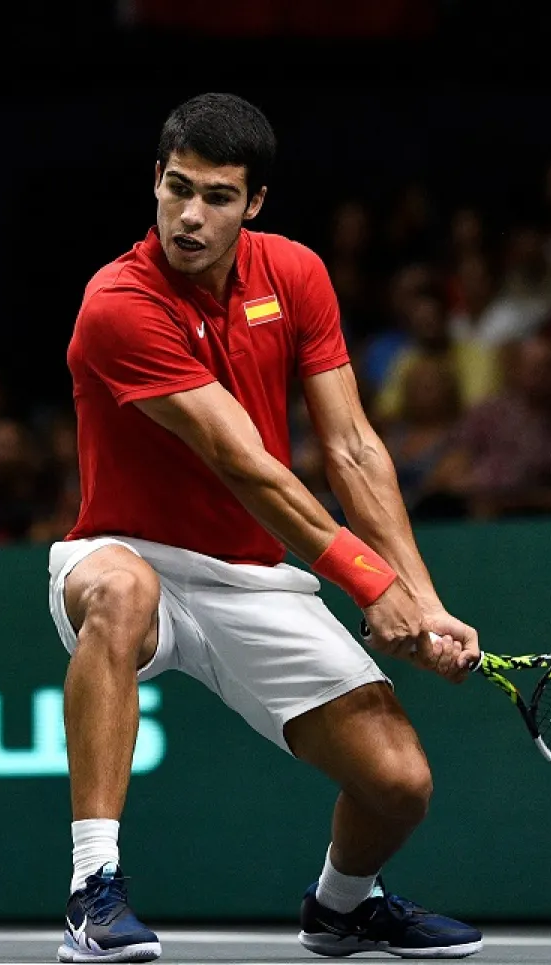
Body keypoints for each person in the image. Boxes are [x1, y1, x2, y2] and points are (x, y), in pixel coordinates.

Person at [52, 93, 484, 964]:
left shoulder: (295, 276)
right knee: (122, 589)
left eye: (216, 197)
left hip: (252, 576)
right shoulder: (118, 303)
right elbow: (243, 461)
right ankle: (93, 887)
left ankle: (342, 908)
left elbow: (356, 448)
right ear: (157, 180)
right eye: (177, 189)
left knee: (399, 782)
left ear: (254, 204)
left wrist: (423, 600)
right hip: (126, 554)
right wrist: (372, 585)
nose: (189, 215)